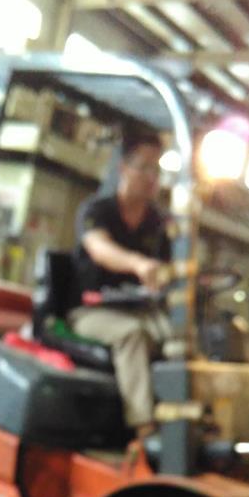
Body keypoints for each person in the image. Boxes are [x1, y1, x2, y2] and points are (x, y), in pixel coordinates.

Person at [69, 130, 173, 440]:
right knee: (132, 335)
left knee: (178, 336)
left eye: (157, 169)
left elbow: (170, 267)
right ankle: (144, 429)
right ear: (123, 168)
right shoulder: (97, 210)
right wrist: (138, 264)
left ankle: (182, 422)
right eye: (144, 167)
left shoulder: (158, 223)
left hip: (139, 309)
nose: (151, 177)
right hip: (89, 311)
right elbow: (100, 248)